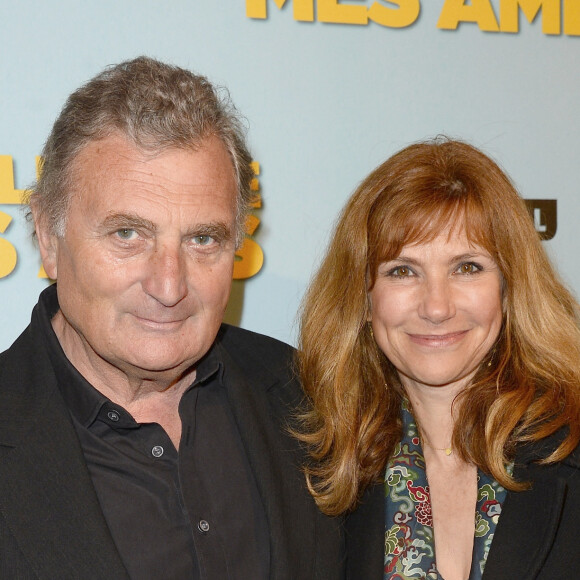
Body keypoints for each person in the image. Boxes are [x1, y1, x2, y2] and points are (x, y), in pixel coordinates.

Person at [0, 56, 343, 579]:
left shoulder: (306, 396)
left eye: (202, 239)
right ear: (49, 238)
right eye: (128, 235)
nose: (168, 286)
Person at [296, 138, 580, 579]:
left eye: (467, 267)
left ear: (510, 289)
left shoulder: (570, 446)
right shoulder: (318, 468)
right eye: (402, 271)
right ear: (363, 301)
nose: (436, 306)